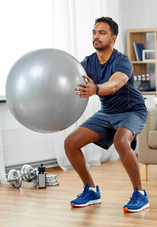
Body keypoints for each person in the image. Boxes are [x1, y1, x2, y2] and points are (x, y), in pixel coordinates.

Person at [64, 17, 149, 213]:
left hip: (132, 111)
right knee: (70, 143)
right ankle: (91, 190)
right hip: (108, 113)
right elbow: (70, 79)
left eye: (102, 33)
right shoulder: (87, 63)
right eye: (94, 32)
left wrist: (96, 89)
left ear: (113, 38)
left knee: (121, 141)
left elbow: (115, 84)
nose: (96, 36)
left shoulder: (122, 61)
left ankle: (140, 194)